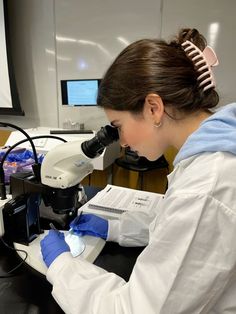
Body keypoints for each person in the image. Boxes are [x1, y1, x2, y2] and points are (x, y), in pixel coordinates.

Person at [40, 28, 236, 313]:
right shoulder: (213, 155)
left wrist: (62, 267)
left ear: (154, 108)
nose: (122, 142)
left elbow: (134, 309)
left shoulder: (205, 187)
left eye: (118, 126)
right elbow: (174, 224)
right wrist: (115, 227)